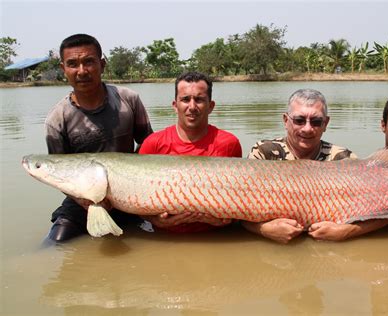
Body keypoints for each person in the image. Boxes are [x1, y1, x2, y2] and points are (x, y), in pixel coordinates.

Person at [243, 89, 388, 243]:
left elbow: (378, 212)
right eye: (299, 120)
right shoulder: (264, 153)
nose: (307, 128)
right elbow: (238, 209)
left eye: (316, 121)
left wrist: (345, 231)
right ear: (286, 121)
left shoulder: (343, 159)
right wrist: (263, 229)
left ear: (326, 123)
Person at [45, 34, 153, 241]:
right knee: (55, 243)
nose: (82, 71)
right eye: (73, 64)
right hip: (83, 199)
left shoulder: (128, 100)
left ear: (102, 64)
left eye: (89, 62)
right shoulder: (56, 119)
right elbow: (59, 175)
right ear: (63, 69)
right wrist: (85, 201)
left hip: (131, 192)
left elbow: (149, 146)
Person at [139, 71, 242, 232]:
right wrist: (154, 219)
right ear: (175, 105)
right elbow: (137, 198)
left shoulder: (228, 143)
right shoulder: (153, 144)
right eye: (185, 99)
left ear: (211, 106)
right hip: (165, 237)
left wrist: (225, 219)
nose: (192, 107)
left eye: (199, 100)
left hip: (215, 239)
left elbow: (240, 196)